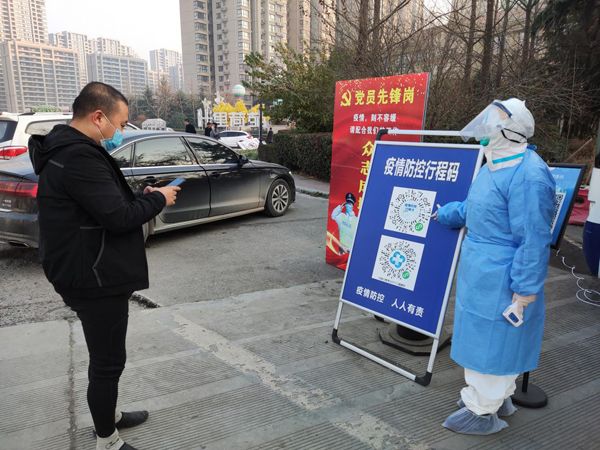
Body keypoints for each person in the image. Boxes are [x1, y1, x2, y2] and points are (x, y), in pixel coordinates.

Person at [28, 82, 180, 450]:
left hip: (85, 268)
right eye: (121, 124)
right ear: (98, 117)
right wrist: (159, 199)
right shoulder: (78, 157)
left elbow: (101, 205)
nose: (121, 131)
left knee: (106, 358)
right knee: (108, 362)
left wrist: (141, 196)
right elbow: (118, 217)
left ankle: (107, 415)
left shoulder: (69, 150)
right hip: (93, 278)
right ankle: (107, 439)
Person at [434, 98, 555, 435]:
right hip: (480, 272)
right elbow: (474, 207)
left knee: (496, 342)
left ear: (511, 130)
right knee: (480, 338)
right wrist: (444, 213)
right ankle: (488, 397)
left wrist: (525, 290)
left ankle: (482, 407)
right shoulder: (493, 166)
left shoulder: (529, 175)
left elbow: (533, 238)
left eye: (493, 122)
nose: (485, 129)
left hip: (504, 274)